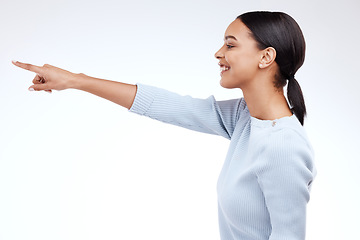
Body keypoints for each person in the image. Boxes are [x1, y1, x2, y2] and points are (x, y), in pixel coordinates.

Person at [13, 11, 316, 240]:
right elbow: (167, 106)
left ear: (266, 56)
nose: (218, 53)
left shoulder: (283, 146)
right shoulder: (244, 119)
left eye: (230, 44)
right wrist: (76, 81)